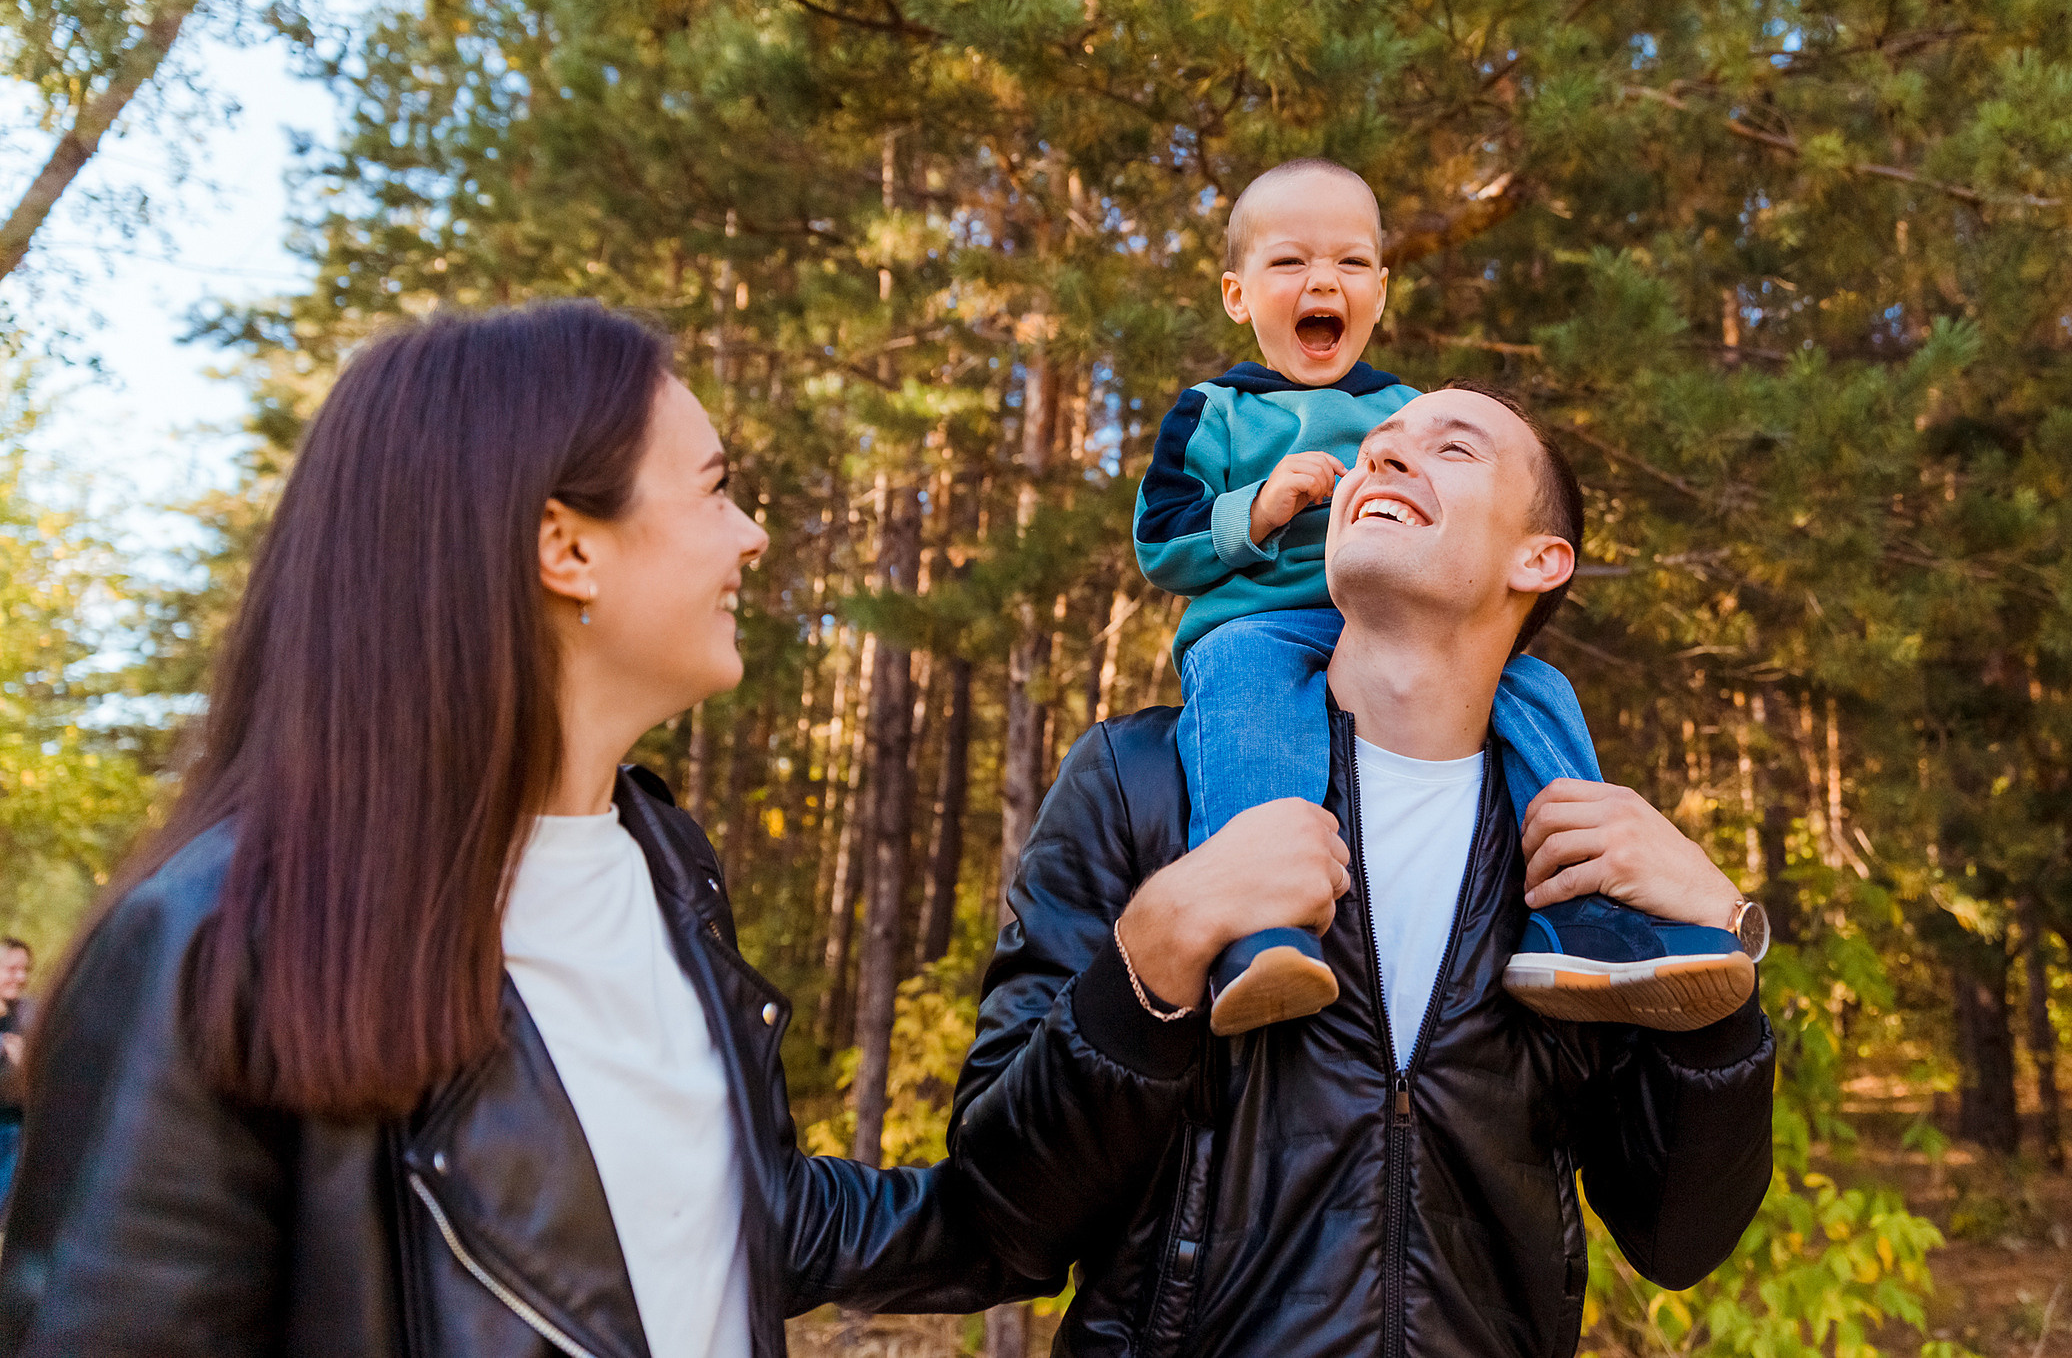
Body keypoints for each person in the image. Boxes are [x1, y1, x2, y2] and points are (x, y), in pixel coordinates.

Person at [0, 303, 1322, 1358]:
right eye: (713, 490)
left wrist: (1139, 984)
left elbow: (938, 1229)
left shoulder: (666, 884)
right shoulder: (206, 946)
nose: (752, 534)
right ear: (566, 547)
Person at [958, 384, 1778, 1358]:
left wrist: (1722, 969)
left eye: (1453, 448)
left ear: (1540, 559)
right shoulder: (1141, 785)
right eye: (1379, 442)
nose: (1381, 456)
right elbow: (1005, 1213)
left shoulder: (1587, 869)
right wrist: (1154, 957)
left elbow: (1679, 1238)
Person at [1133, 158, 1762, 1034]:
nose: (1323, 280)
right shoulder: (1217, 412)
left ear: (1380, 294)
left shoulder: (1404, 410)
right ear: (1238, 295)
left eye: (1351, 263)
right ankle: (1262, 927)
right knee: (1251, 713)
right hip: (1257, 624)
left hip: (1385, 634)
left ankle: (1585, 917)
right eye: (1290, 262)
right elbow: (1160, 541)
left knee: (1540, 689)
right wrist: (1262, 505)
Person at [0, 938, 29, 1210]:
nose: (20, 977)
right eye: (12, 969)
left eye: (25, 970)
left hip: (15, 1127)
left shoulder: (27, 1014)